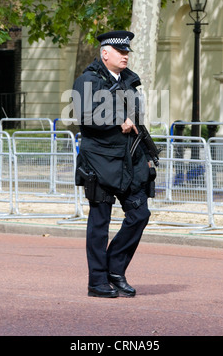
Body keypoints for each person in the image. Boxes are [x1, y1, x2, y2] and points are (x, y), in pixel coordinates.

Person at [72, 30, 154, 298]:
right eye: (120, 52)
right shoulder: (88, 80)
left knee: (140, 214)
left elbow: (137, 123)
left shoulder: (129, 82)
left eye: (127, 51)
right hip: (99, 162)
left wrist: (148, 156)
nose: (125, 55)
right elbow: (84, 117)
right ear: (105, 54)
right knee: (100, 222)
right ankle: (97, 281)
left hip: (129, 162)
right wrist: (117, 121)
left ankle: (114, 270)